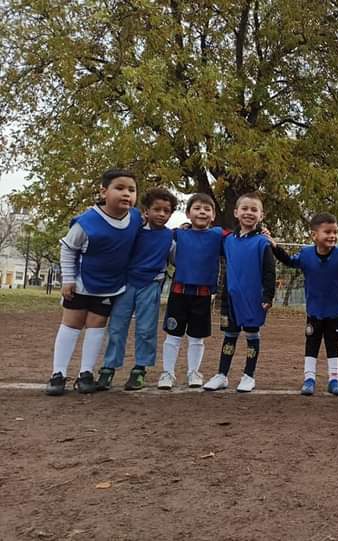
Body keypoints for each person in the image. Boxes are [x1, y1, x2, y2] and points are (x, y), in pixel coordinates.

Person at [46, 168, 143, 395]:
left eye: (131, 189)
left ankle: (86, 373)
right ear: (103, 191)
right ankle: (58, 374)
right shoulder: (86, 221)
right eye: (119, 188)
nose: (126, 194)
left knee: (96, 326)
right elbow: (68, 249)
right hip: (82, 283)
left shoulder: (137, 218)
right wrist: (68, 279)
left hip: (111, 286)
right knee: (72, 324)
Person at [264, 212, 338, 396]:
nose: (332, 235)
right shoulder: (306, 255)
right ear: (314, 235)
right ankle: (309, 379)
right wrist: (275, 246)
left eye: (335, 232)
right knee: (312, 343)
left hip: (335, 310)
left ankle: (334, 380)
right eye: (327, 232)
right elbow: (289, 261)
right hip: (314, 310)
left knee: (333, 344)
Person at [96, 187, 178, 391]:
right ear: (146, 211)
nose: (161, 214)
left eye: (166, 211)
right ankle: (108, 368)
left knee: (146, 329)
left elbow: (176, 260)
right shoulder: (134, 230)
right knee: (116, 327)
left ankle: (140, 369)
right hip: (126, 284)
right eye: (156, 209)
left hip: (150, 285)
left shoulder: (171, 237)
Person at [202, 193, 275, 392]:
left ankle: (248, 376)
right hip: (231, 299)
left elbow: (270, 272)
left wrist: (268, 296)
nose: (249, 213)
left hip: (253, 299)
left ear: (261, 215)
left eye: (254, 210)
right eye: (245, 209)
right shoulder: (228, 241)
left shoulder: (263, 242)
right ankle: (222, 375)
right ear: (236, 212)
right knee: (229, 335)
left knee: (252, 335)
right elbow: (206, 234)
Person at [158, 193, 225, 390]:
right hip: (179, 293)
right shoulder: (178, 234)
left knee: (197, 337)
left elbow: (240, 238)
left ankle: (193, 372)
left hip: (203, 295)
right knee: (173, 335)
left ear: (213, 215)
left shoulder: (218, 235)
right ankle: (167, 373)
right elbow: (158, 237)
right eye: (197, 208)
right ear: (188, 213)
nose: (202, 212)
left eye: (207, 209)